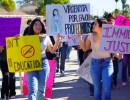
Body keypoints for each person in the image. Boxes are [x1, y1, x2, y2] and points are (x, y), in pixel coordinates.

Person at [21, 18, 61, 100]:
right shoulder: (26, 37)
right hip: (31, 64)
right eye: (36, 24)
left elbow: (52, 50)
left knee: (41, 89)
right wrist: (17, 39)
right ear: (32, 26)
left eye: (40, 25)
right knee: (32, 89)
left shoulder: (46, 38)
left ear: (42, 27)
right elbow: (19, 48)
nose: (38, 26)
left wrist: (57, 41)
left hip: (43, 63)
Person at [78, 18, 114, 100]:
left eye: (95, 24)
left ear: (101, 27)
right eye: (93, 24)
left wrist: (120, 53)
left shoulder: (110, 35)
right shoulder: (90, 36)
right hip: (95, 64)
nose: (93, 25)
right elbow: (84, 48)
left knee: (107, 89)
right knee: (97, 90)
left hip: (107, 64)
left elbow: (117, 52)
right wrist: (79, 38)